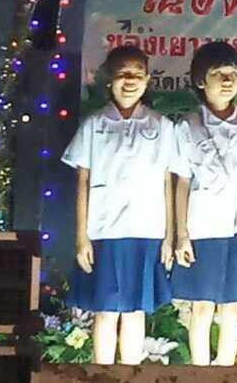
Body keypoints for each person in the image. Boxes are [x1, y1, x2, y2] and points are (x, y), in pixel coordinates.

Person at [62, 45, 175, 364]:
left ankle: (130, 373)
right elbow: (82, 181)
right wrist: (81, 237)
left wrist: (169, 236)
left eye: (137, 74)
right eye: (123, 74)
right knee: (106, 311)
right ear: (109, 79)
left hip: (146, 230)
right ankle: (103, 373)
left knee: (136, 311)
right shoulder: (94, 124)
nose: (130, 80)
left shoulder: (161, 125)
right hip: (104, 231)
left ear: (147, 80)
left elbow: (168, 181)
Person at [170, 41, 237, 365]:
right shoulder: (187, 126)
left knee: (232, 306)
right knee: (202, 306)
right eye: (218, 73)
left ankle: (227, 371)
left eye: (233, 73)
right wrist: (181, 235)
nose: (227, 80)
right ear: (200, 80)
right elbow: (182, 183)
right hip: (202, 228)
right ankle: (200, 372)